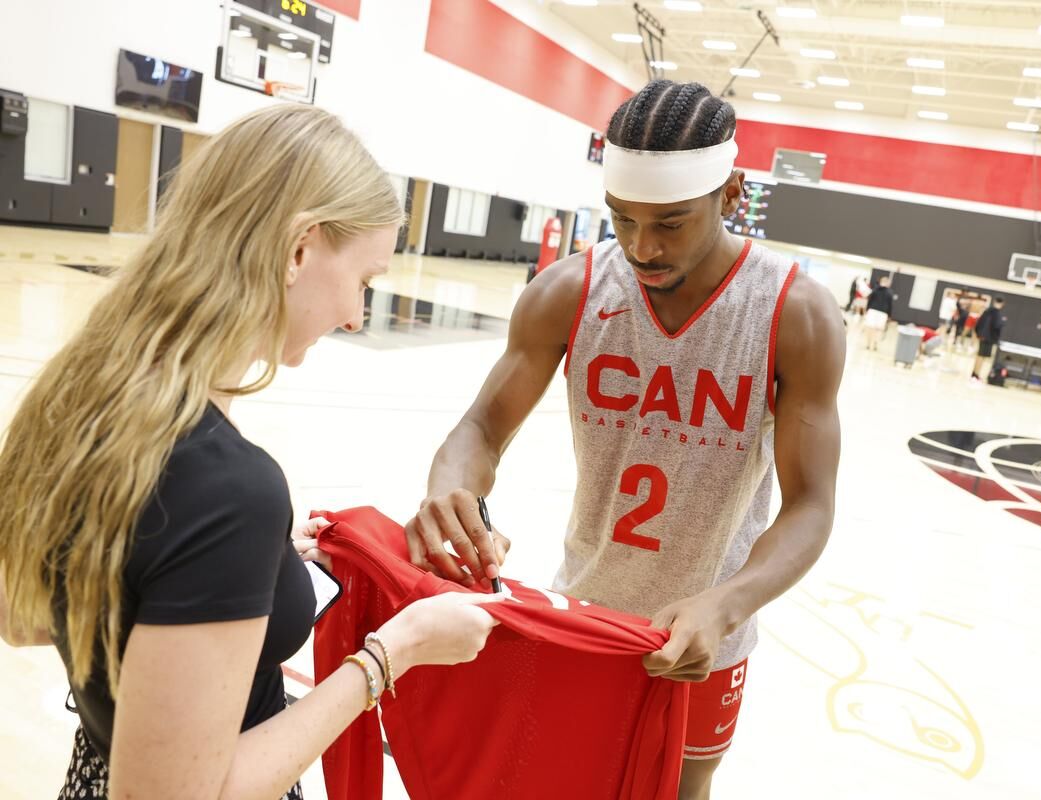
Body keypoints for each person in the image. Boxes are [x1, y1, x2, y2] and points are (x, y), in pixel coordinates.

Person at [0, 105, 501, 800]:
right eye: (363, 280)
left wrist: (229, 573)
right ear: (299, 250)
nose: (357, 315)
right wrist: (394, 653)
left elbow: (22, 614)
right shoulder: (226, 486)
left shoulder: (80, 398)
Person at [367, 80, 844, 800]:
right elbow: (480, 429)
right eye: (621, 219)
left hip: (707, 637)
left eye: (671, 223)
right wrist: (450, 491)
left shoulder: (795, 315)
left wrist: (729, 602)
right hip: (579, 612)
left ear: (732, 193)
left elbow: (810, 505)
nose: (641, 246)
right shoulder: (571, 291)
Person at [971, 296, 1008, 382]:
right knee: (982, 356)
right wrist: (1002, 323)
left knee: (979, 355)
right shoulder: (997, 314)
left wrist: (978, 333)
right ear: (1002, 304)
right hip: (989, 338)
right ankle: (976, 375)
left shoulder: (987, 311)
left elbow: (978, 323)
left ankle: (974, 373)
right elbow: (996, 326)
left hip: (982, 336)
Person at [864, 275, 893, 351]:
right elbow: (890, 305)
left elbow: (869, 300)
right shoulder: (889, 292)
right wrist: (889, 315)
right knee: (878, 330)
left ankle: (868, 344)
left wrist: (867, 309)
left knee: (870, 328)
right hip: (883, 313)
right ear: (887, 283)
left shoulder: (875, 289)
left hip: (872, 311)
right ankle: (875, 344)